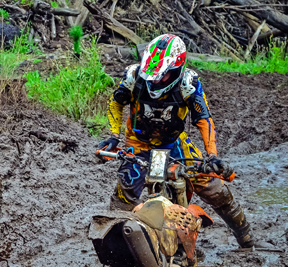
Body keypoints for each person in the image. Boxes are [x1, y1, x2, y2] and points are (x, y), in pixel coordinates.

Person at [101, 33, 271, 249]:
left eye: (160, 76)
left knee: (214, 186)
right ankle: (114, 248)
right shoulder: (133, 76)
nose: (154, 80)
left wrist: (211, 155)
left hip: (174, 142)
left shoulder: (188, 84)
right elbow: (115, 102)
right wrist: (113, 135)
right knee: (124, 193)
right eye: (151, 74)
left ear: (175, 70)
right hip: (139, 141)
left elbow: (204, 119)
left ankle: (246, 239)